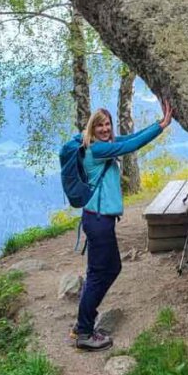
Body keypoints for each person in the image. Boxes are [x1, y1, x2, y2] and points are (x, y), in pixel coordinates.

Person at [74, 97, 174, 351]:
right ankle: (84, 331)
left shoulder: (105, 144)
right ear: (92, 129)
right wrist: (161, 127)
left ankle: (83, 322)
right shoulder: (97, 149)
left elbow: (130, 138)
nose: (106, 129)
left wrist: (158, 123)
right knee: (99, 274)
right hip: (98, 221)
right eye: (100, 126)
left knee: (110, 269)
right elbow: (132, 146)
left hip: (99, 219)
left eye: (108, 124)